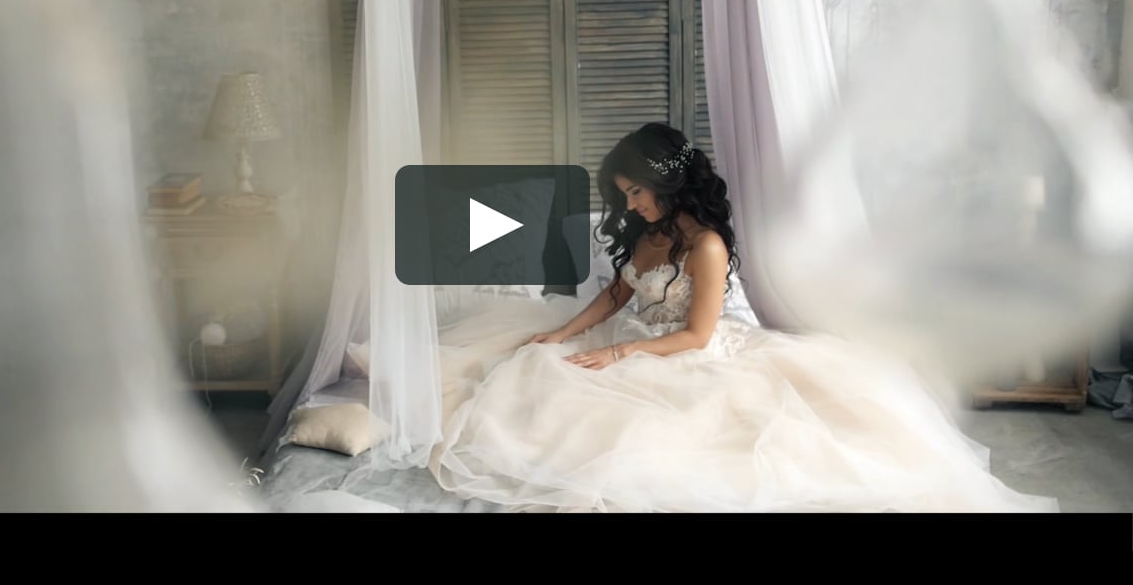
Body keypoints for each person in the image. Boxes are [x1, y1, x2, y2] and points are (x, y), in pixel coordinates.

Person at [426, 123, 1059, 513]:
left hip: (686, 352)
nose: (631, 204)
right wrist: (565, 331)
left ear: (665, 184)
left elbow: (697, 334)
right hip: (636, 336)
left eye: (636, 191)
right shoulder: (645, 232)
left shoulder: (704, 245)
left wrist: (617, 354)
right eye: (624, 195)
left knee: (643, 436)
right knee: (536, 372)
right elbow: (618, 296)